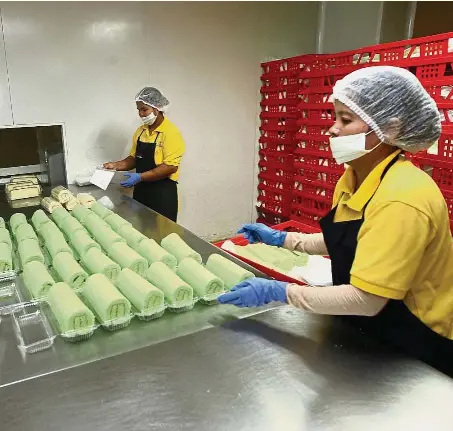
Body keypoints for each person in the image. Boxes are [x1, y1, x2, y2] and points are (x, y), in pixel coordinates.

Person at [218, 66, 453, 377]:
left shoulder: (402, 198)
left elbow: (367, 299)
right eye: (334, 117)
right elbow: (348, 241)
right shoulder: (354, 177)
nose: (332, 129)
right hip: (369, 327)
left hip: (416, 342)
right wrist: (282, 239)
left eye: (345, 119)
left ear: (390, 127)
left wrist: (281, 292)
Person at [104, 87, 185, 222]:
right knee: (141, 228)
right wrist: (116, 165)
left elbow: (170, 167)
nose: (141, 114)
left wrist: (140, 176)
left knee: (162, 232)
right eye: (138, 110)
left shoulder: (171, 133)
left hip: (162, 194)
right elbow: (134, 158)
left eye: (144, 109)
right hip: (141, 192)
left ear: (157, 108)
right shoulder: (140, 131)